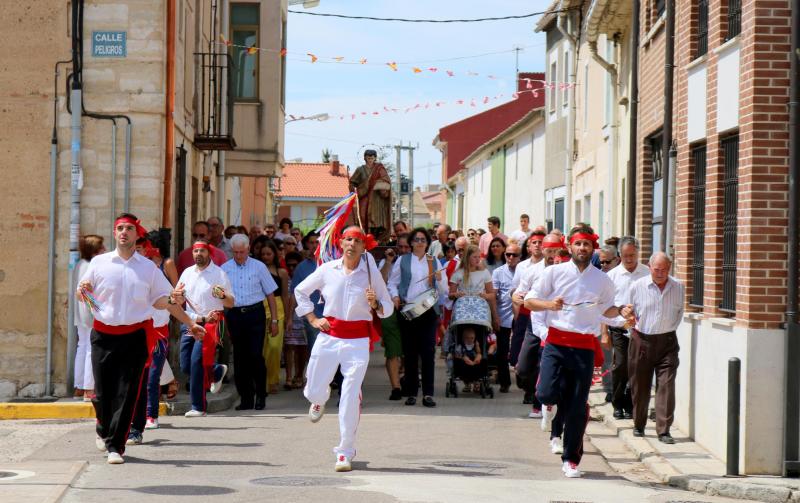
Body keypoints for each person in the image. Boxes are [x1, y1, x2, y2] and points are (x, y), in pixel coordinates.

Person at [77, 213, 205, 464]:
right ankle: (103, 428)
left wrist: (189, 321)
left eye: (129, 228)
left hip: (135, 336)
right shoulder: (99, 263)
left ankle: (116, 446)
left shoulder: (147, 268)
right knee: (102, 394)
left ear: (137, 235)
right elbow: (84, 294)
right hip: (103, 335)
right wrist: (93, 304)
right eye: (120, 228)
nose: (124, 232)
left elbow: (161, 300)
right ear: (115, 233)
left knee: (127, 393)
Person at [525, 225, 633, 478]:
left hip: (583, 346)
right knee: (545, 392)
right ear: (569, 247)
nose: (582, 248)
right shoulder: (554, 272)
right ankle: (549, 408)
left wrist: (623, 314)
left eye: (587, 244)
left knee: (576, 407)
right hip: (556, 341)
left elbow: (607, 310)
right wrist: (550, 304)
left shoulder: (602, 280)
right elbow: (530, 300)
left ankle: (571, 459)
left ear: (592, 248)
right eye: (578, 244)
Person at [295, 226, 393, 472]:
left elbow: (388, 307)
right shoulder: (328, 270)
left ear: (364, 246)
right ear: (341, 243)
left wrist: (376, 303)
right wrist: (313, 319)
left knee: (350, 393)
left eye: (357, 241)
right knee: (313, 389)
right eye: (348, 239)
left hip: (358, 340)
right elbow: (300, 291)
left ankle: (345, 451)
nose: (352, 244)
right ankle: (319, 399)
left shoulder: (371, 274)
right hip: (329, 336)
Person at [627, 252, 685, 444]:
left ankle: (664, 430)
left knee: (666, 386)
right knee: (640, 386)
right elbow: (627, 313)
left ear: (670, 268)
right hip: (641, 340)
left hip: (667, 341)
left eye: (665, 269)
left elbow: (679, 313)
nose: (660, 273)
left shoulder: (678, 287)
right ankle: (639, 424)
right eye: (657, 269)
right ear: (649, 267)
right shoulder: (637, 286)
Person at [388, 228, 448, 407]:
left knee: (428, 352)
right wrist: (395, 296)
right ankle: (412, 393)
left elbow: (444, 289)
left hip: (428, 310)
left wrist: (440, 279)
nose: (420, 242)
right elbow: (392, 282)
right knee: (410, 353)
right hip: (408, 309)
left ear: (428, 243)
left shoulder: (434, 261)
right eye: (417, 239)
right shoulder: (403, 260)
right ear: (412, 243)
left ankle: (428, 394)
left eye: (423, 239)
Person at [174, 239, 235, 417]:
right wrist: (176, 296)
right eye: (195, 251)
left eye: (202, 251)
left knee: (196, 362)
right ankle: (216, 370)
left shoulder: (219, 273)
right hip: (191, 321)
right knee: (186, 365)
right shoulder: (187, 272)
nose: (198, 254)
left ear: (209, 253)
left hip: (211, 322)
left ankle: (198, 406)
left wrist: (223, 295)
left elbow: (231, 302)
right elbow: (178, 299)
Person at [221, 234, 279, 411]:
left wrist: (274, 320)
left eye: (242, 252)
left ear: (248, 249)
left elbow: (270, 294)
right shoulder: (225, 268)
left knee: (255, 355)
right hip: (235, 315)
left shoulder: (259, 267)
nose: (239, 255)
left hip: (255, 314)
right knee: (239, 358)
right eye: (236, 252)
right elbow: (220, 294)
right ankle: (246, 398)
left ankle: (261, 395)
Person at [604, 236, 650, 419]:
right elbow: (604, 306)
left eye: (632, 255)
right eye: (625, 256)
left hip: (641, 329)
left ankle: (631, 404)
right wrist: (603, 333)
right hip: (618, 327)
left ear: (637, 253)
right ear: (619, 255)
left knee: (637, 368)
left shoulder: (647, 273)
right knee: (621, 365)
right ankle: (617, 403)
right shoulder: (611, 276)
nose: (629, 259)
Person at [73, 235, 106, 401]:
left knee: (83, 345)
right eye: (102, 248)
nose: (105, 250)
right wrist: (99, 309)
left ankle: (79, 385)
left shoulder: (80, 264)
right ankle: (88, 388)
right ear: (95, 251)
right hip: (89, 311)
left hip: (80, 311)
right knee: (90, 349)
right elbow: (85, 292)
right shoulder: (90, 266)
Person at [259, 240, 290, 394]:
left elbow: (285, 295)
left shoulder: (282, 272)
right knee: (261, 349)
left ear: (275, 255)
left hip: (277, 311)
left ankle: (273, 379)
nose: (266, 257)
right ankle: (262, 381)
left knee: (274, 347)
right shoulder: (256, 270)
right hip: (258, 309)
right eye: (263, 254)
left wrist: (288, 318)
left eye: (269, 254)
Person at [379, 235, 407, 400]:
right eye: (400, 247)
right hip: (390, 309)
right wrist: (388, 262)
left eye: (406, 247)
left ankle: (407, 379)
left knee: (408, 349)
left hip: (411, 309)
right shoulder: (387, 262)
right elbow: (381, 282)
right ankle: (396, 387)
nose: (403, 250)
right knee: (392, 350)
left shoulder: (418, 263)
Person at [491, 242, 522, 393]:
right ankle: (504, 381)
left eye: (514, 255)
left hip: (521, 316)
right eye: (508, 254)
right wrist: (494, 316)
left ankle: (524, 381)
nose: (510, 257)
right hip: (503, 315)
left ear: (520, 257)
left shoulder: (525, 271)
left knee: (521, 351)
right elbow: (494, 296)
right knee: (502, 351)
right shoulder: (497, 272)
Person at [449, 244, 499, 332]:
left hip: (480, 310)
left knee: (480, 336)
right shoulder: (458, 273)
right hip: (462, 312)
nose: (478, 259)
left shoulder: (484, 272)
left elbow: (492, 295)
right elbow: (450, 295)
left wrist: (485, 296)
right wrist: (456, 294)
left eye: (479, 257)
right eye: (474, 257)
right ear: (467, 257)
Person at [349, 150, 392, 242]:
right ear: (365, 158)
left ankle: (376, 239)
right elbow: (352, 182)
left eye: (372, 158)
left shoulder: (379, 168)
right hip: (364, 196)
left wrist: (380, 184)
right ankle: (364, 237)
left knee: (376, 219)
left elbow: (386, 180)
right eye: (368, 158)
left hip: (377, 199)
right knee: (363, 216)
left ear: (375, 158)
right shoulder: (360, 169)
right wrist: (353, 192)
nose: (370, 160)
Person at [597, 244, 620, 402]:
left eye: (607, 262)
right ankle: (609, 389)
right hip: (603, 323)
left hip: (621, 324)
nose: (604, 266)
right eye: (602, 262)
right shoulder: (599, 278)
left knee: (620, 360)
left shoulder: (621, 276)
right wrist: (604, 332)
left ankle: (621, 389)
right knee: (606, 358)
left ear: (617, 260)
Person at [294, 232, 323, 352]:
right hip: (312, 318)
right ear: (306, 244)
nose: (315, 245)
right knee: (315, 353)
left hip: (332, 316)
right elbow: (294, 293)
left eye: (317, 242)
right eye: (312, 242)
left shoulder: (331, 264)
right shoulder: (301, 267)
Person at [454, 327, 483, 392]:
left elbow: (479, 353)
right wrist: (463, 358)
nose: (469, 340)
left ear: (475, 338)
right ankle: (467, 384)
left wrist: (477, 348)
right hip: (464, 363)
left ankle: (476, 383)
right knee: (462, 361)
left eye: (472, 338)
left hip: (474, 362)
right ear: (463, 338)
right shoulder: (461, 346)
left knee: (479, 357)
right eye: (467, 338)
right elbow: (457, 355)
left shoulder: (475, 345)